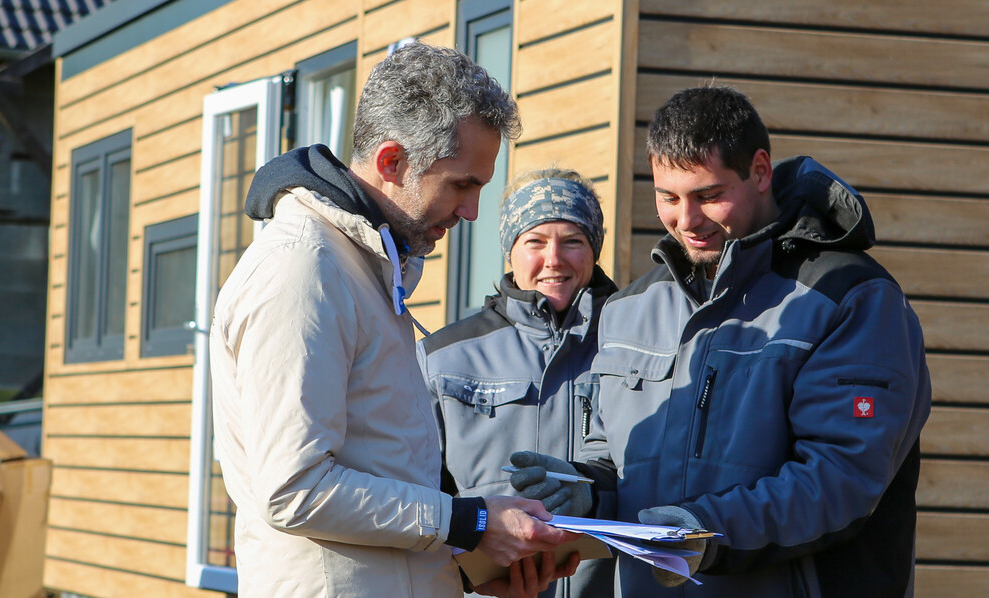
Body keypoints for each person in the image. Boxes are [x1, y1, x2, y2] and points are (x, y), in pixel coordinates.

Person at [506, 86, 932, 596]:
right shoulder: (629, 309)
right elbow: (615, 460)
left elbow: (842, 480)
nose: (686, 221)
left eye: (708, 196)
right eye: (668, 197)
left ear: (759, 171)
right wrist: (585, 493)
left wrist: (702, 532)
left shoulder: (851, 299)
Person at [211, 43, 577, 598]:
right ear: (390, 162)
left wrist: (467, 567)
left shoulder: (363, 267)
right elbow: (294, 491)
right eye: (462, 184)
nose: (473, 211)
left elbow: (380, 473)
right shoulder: (303, 270)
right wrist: (471, 523)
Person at [420, 170, 619, 598]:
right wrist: (470, 575)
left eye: (572, 241)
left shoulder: (633, 348)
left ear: (594, 250)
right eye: (535, 242)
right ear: (510, 251)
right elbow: (417, 495)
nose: (554, 259)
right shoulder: (443, 357)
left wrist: (594, 496)